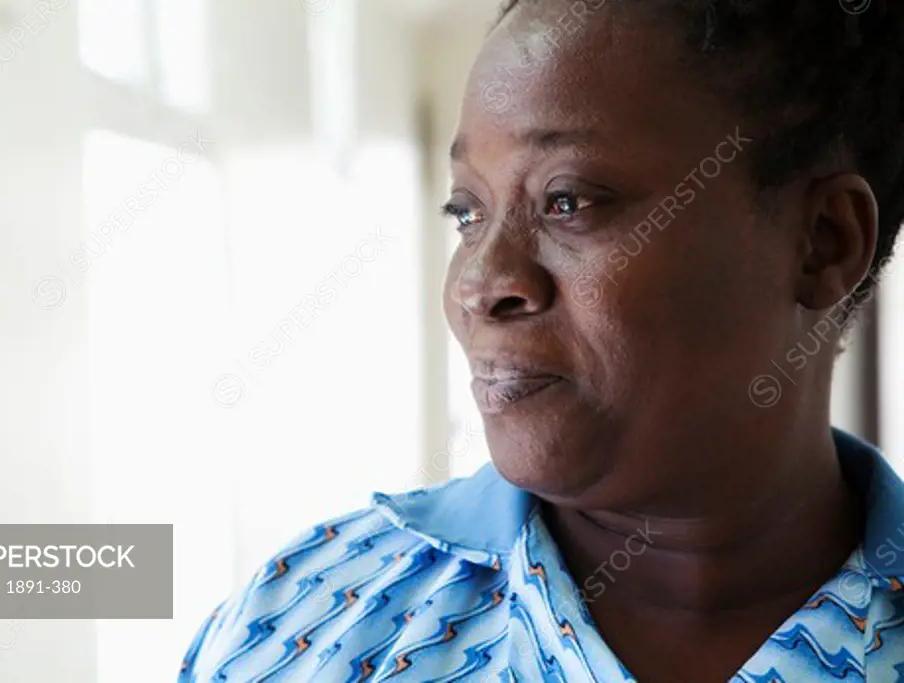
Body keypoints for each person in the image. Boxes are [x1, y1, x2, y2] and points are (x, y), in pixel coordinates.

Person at [178, 1, 904, 680]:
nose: (479, 283)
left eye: (568, 202)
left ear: (823, 243)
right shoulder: (300, 629)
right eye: (467, 211)